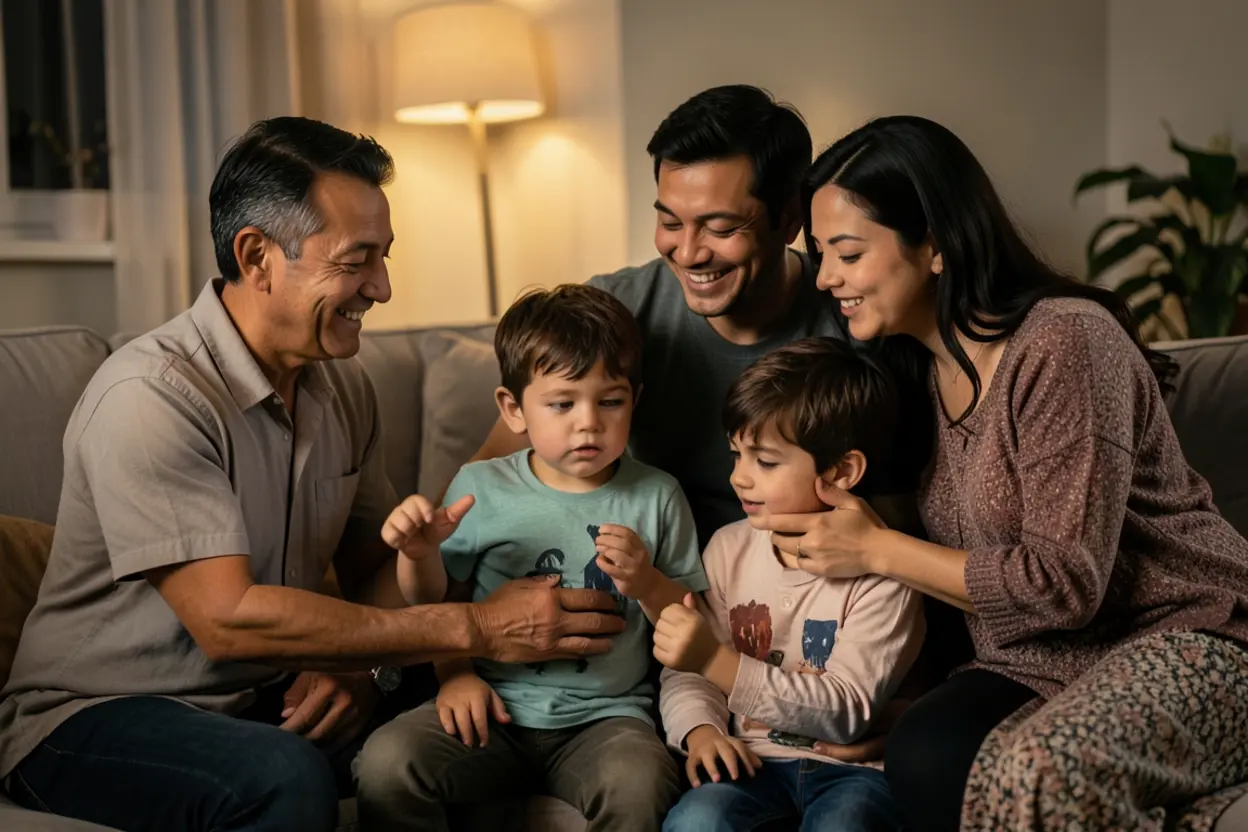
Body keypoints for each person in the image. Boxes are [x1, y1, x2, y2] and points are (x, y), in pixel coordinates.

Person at [0, 117, 625, 832]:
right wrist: (476, 626)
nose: (381, 288)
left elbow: (375, 579)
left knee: (488, 712)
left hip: (270, 696)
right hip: (93, 715)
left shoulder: (343, 388)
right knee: (282, 774)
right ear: (257, 256)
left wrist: (366, 669)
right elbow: (228, 621)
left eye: (384, 257)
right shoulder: (150, 397)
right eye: (357, 260)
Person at [757, 114, 1248, 831]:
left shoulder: (1065, 340)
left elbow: (1064, 583)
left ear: (935, 245)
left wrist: (876, 548)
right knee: (925, 753)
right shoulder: (915, 376)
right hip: (1039, 664)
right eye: (821, 253)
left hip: (1189, 633)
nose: (826, 277)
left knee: (1041, 770)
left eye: (848, 253)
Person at [354, 283, 708, 831]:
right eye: (562, 404)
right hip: (488, 707)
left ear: (634, 401)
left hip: (607, 718)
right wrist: (420, 562)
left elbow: (691, 624)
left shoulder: (658, 496)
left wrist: (648, 583)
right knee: (386, 763)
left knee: (640, 785)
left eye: (610, 401)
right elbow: (435, 602)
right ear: (513, 409)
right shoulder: (480, 486)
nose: (588, 422)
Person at [466, 84, 861, 549]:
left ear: (791, 219)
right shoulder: (615, 312)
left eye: (721, 228)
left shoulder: (854, 316)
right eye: (670, 223)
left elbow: (891, 509)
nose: (689, 253)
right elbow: (487, 478)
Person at [654, 337, 922, 832]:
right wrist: (700, 731)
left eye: (765, 461)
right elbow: (687, 666)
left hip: (853, 772)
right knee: (697, 820)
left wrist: (715, 661)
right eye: (736, 454)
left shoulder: (888, 574)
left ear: (841, 471)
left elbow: (846, 710)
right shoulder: (728, 549)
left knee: (848, 822)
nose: (739, 478)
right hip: (749, 760)